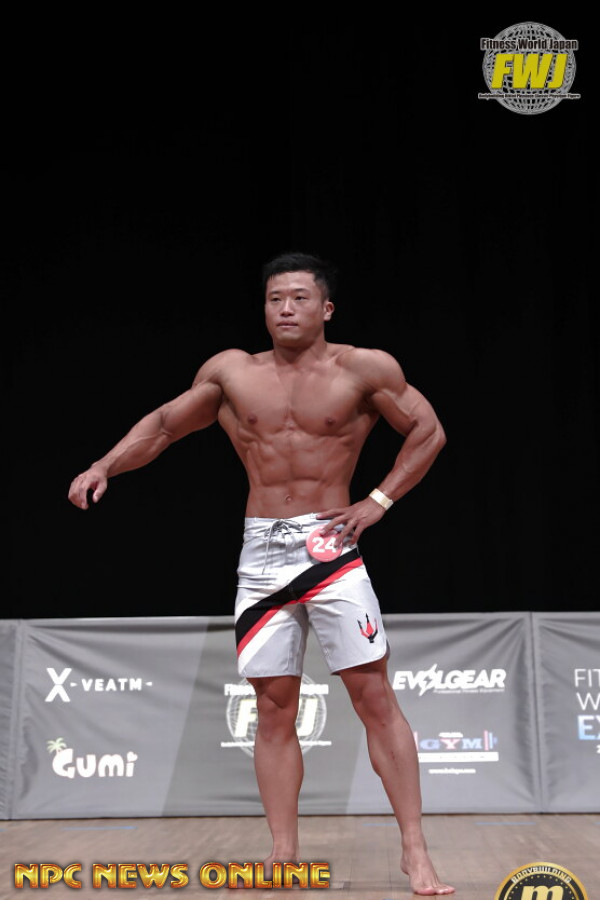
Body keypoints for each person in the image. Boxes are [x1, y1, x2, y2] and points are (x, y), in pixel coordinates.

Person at [69, 252, 454, 895]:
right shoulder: (232, 373)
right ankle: (283, 854)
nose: (286, 309)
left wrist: (378, 502)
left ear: (326, 308)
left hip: (330, 547)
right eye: (275, 299)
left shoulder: (363, 369)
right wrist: (105, 465)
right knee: (273, 710)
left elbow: (429, 431)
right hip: (262, 555)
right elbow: (163, 427)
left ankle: (415, 850)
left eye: (299, 298)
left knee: (373, 698)